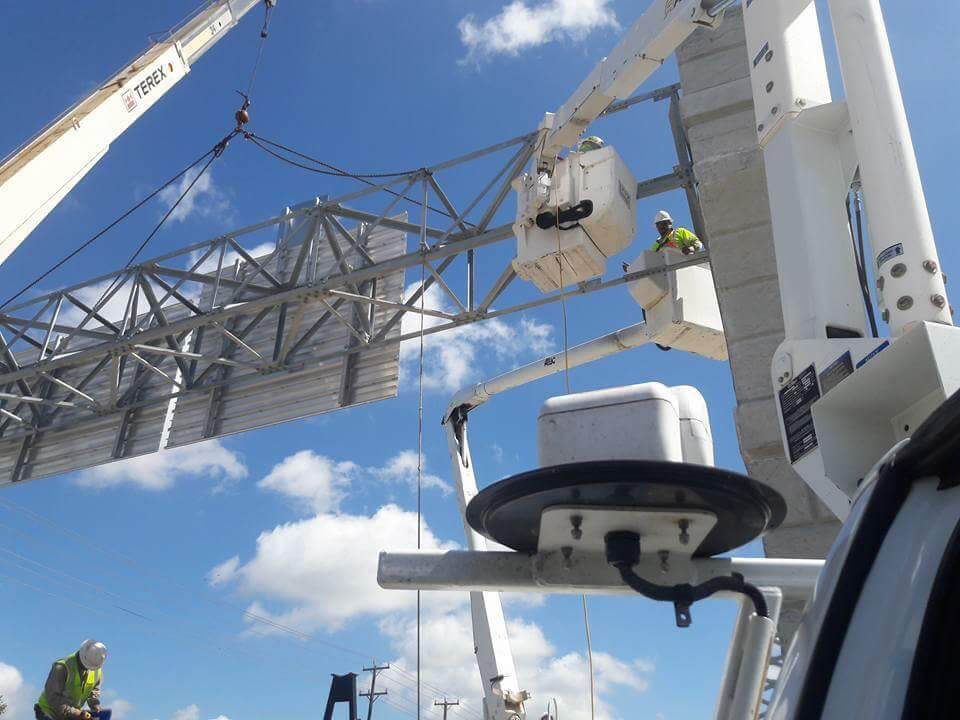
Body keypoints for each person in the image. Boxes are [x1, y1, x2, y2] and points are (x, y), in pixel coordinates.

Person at [35, 640, 109, 720]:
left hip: (69, 713)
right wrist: (77, 713)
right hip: (48, 711)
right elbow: (53, 698)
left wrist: (95, 704)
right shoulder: (62, 667)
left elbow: (94, 690)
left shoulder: (96, 669)